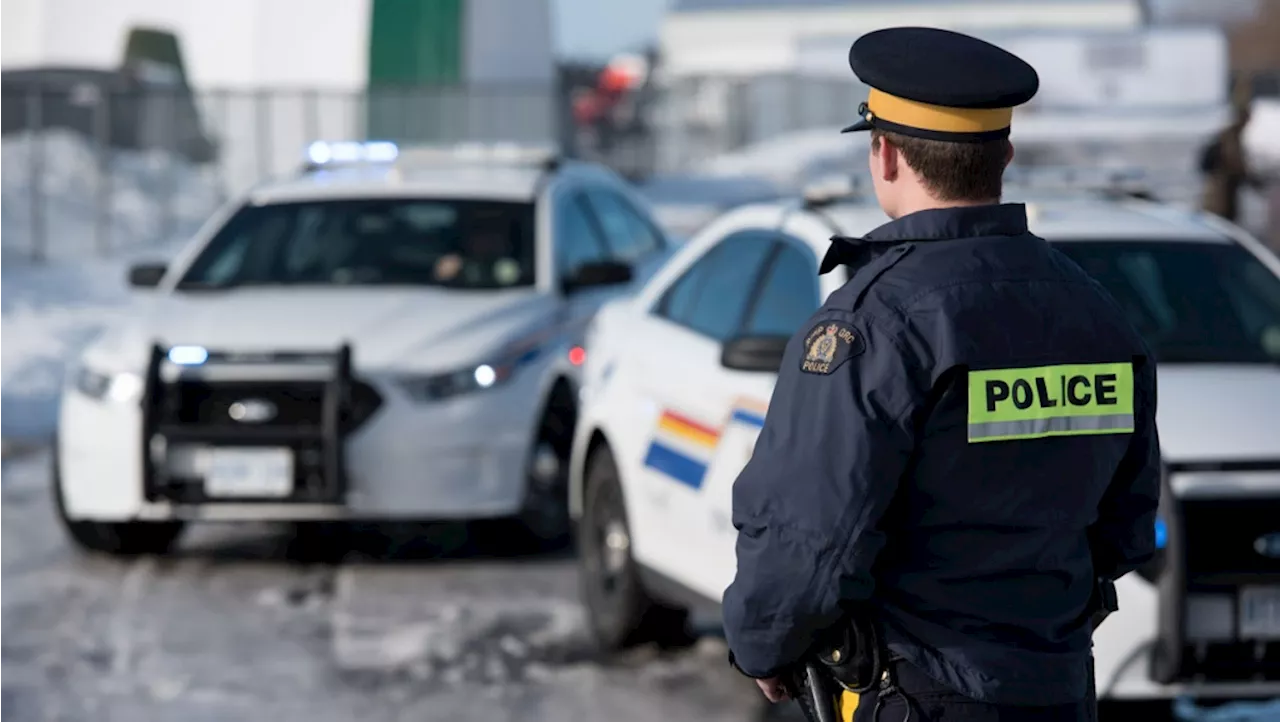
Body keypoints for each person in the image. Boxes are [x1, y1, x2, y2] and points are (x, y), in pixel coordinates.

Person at [721, 27, 1161, 722]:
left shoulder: (872, 325)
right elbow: (1128, 529)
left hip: (917, 693)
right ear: (1004, 155)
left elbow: (809, 533)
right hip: (1057, 691)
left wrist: (765, 645)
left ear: (885, 154)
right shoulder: (1094, 311)